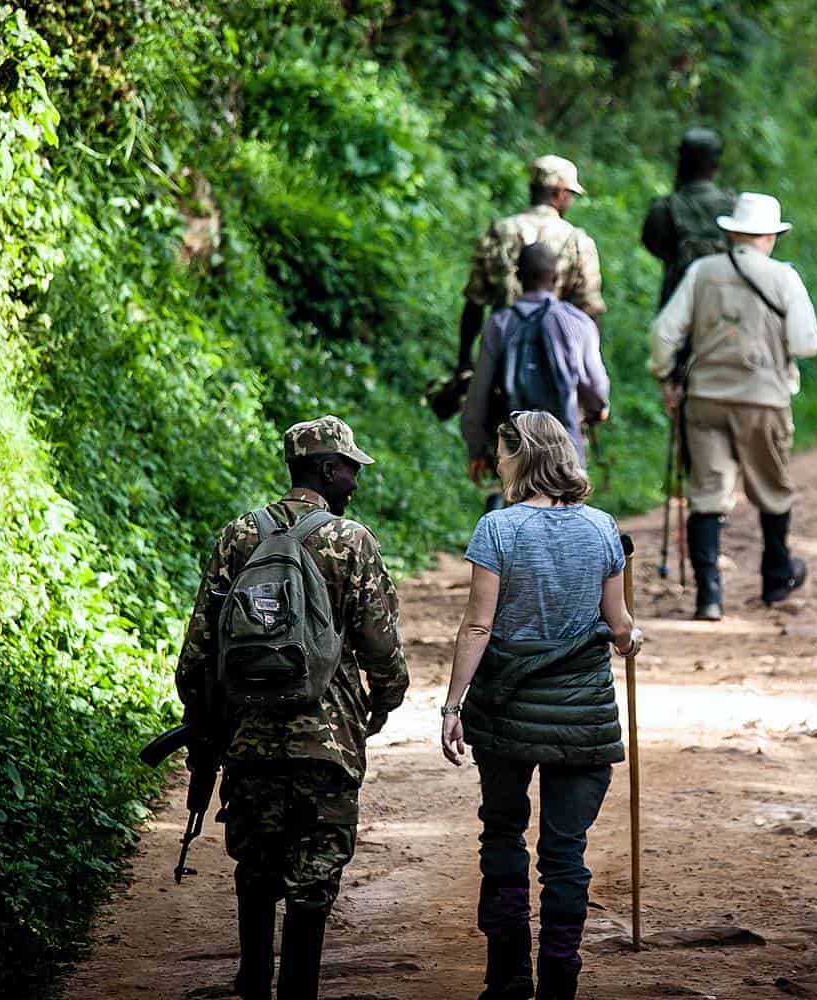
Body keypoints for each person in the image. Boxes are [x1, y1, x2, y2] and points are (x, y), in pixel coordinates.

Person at [174, 415, 409, 1000]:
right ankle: (298, 989)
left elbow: (199, 646)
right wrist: (382, 701)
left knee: (255, 865)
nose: (355, 480)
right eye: (350, 468)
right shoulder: (352, 542)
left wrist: (210, 718)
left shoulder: (238, 536)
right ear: (326, 468)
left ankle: (254, 980)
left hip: (248, 735)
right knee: (316, 869)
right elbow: (380, 644)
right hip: (324, 742)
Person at [438, 411, 641, 1000]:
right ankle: (559, 980)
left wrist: (453, 706)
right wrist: (633, 639)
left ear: (521, 457)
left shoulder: (497, 529)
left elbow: (478, 627)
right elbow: (620, 627)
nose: (497, 464)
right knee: (565, 850)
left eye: (503, 454)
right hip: (582, 716)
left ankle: (506, 980)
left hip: (505, 710)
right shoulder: (604, 529)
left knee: (502, 833)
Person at [649, 191, 817, 621]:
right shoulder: (784, 279)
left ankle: (709, 594)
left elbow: (664, 332)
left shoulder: (702, 272)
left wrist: (666, 374)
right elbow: (806, 343)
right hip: (763, 399)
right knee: (772, 489)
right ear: (770, 236)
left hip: (705, 397)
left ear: (733, 233)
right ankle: (776, 578)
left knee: (707, 493)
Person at [462, 243, 611, 492]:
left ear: (519, 277)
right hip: (565, 445)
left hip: (513, 446)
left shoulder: (499, 324)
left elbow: (479, 393)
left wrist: (476, 446)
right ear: (556, 277)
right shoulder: (577, 322)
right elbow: (596, 389)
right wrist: (599, 409)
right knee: (565, 515)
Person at [458, 155, 607, 378]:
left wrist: (463, 361)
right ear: (560, 193)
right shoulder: (578, 242)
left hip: (499, 357)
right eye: (571, 196)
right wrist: (590, 371)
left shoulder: (500, 231)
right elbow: (589, 311)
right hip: (554, 361)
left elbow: (475, 303)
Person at [640, 127, 735, 309]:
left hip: (676, 305)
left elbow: (654, 245)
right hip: (725, 309)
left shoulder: (664, 209)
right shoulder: (734, 208)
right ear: (716, 165)